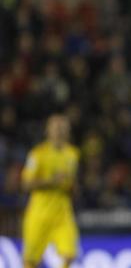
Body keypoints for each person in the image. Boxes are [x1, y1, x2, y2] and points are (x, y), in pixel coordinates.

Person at [21, 114, 80, 268]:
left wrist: (73, 187)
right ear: (48, 131)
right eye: (56, 128)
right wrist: (51, 181)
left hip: (63, 213)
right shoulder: (38, 154)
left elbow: (70, 184)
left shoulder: (73, 154)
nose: (60, 132)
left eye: (63, 128)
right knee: (30, 261)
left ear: (68, 132)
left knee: (70, 255)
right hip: (39, 213)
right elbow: (26, 184)